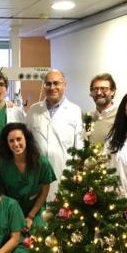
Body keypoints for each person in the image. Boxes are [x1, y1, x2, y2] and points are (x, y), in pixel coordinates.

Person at [26, 69, 83, 201]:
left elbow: (79, 147)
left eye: (56, 83)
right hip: (37, 174)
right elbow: (27, 143)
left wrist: (78, 174)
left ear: (64, 85)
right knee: (39, 216)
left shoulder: (74, 111)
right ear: (44, 86)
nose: (52, 87)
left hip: (64, 173)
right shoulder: (34, 110)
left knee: (62, 215)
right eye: (48, 84)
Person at [0, 123, 56, 230]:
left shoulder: (42, 162)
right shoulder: (1, 164)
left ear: (26, 139)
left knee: (38, 235)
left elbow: (44, 192)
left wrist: (31, 216)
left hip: (35, 209)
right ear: (6, 144)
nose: (16, 144)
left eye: (19, 139)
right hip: (10, 210)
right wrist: (14, 217)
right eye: (11, 141)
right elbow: (1, 194)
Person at [88, 73, 117, 145]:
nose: (99, 92)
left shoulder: (121, 116)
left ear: (113, 91)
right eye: (95, 89)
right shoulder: (88, 118)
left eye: (103, 89)